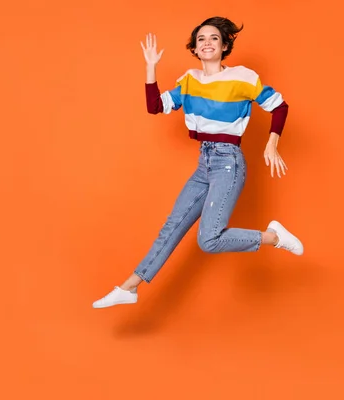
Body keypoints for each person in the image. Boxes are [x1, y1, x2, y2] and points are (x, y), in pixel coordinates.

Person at [92, 16, 304, 309]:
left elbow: (279, 106)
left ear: (225, 45)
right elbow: (155, 106)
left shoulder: (242, 77)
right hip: (204, 161)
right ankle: (130, 287)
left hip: (228, 163)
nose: (207, 43)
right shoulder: (189, 80)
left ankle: (273, 236)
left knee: (209, 239)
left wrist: (271, 143)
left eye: (214, 38)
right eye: (201, 39)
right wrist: (151, 67)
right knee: (172, 226)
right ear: (194, 47)